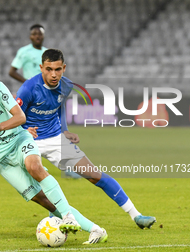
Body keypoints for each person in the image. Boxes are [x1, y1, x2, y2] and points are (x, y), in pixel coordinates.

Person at [0, 54, 108, 244]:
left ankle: (68, 216)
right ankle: (96, 230)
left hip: (19, 140)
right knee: (42, 198)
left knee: (34, 166)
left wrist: (2, 125)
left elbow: (21, 117)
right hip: (0, 159)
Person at [15, 49, 157, 229]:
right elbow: (13, 115)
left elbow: (59, 107)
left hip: (55, 138)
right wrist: (25, 129)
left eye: (57, 69)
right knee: (42, 186)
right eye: (49, 69)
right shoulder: (28, 88)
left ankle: (136, 215)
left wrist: (64, 130)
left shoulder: (65, 86)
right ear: (41, 67)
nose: (53, 74)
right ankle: (58, 216)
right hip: (30, 141)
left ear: (64, 68)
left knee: (95, 175)